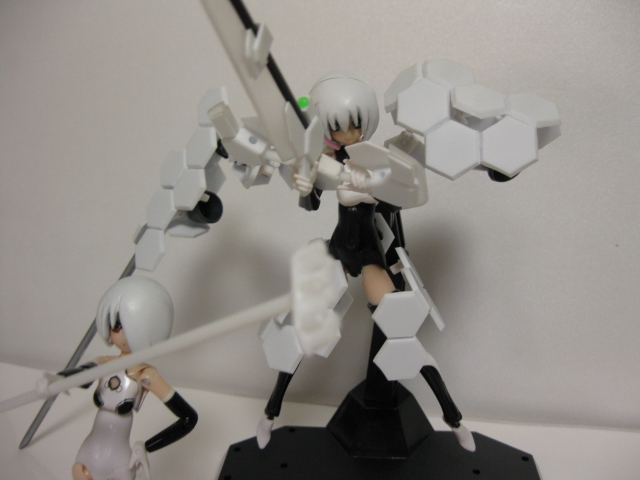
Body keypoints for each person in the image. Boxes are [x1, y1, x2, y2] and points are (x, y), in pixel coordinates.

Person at [63, 277, 197, 480]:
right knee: (79, 473)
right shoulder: (104, 362)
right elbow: (80, 378)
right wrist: (56, 380)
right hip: (89, 453)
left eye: (119, 325)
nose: (113, 331)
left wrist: (148, 446)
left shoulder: (146, 376)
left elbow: (188, 419)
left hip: (119, 461)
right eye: (113, 324)